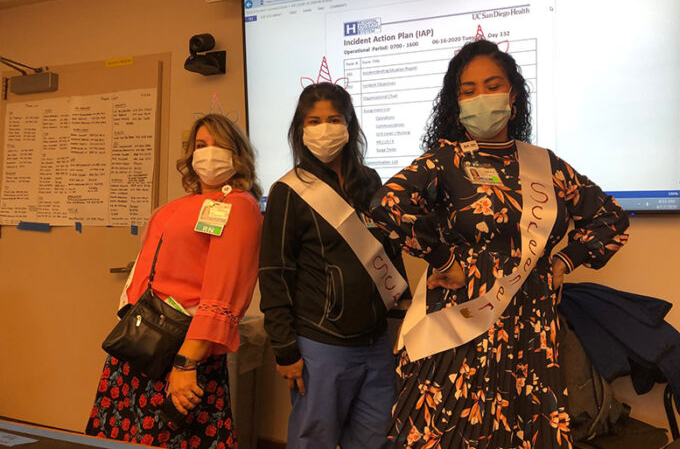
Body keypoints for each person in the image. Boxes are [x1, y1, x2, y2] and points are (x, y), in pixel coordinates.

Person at [369, 40, 630, 448]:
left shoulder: (544, 164)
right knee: (453, 433)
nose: (480, 97)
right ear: (455, 103)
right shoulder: (446, 160)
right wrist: (442, 259)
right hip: (462, 326)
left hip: (530, 328)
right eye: (467, 90)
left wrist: (564, 259)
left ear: (512, 94)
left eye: (492, 85)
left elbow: (611, 218)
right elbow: (385, 206)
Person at [85, 114, 263, 448]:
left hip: (183, 352)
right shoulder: (176, 207)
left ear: (237, 154)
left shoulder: (240, 206)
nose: (208, 153)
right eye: (200, 145)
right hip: (139, 345)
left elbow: (224, 293)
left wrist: (187, 362)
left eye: (219, 145)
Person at [259, 82, 410, 449]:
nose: (324, 128)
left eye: (333, 119)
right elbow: (274, 273)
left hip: (375, 342)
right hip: (319, 344)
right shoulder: (288, 191)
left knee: (379, 438)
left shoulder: (370, 181)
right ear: (301, 129)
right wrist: (285, 349)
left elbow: (388, 249)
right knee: (316, 441)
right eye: (314, 121)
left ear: (349, 125)